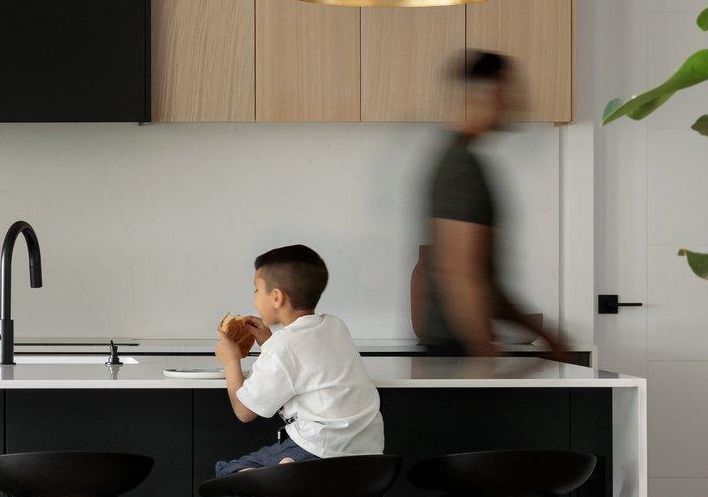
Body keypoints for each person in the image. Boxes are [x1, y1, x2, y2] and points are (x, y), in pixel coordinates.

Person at [415, 52, 568, 358]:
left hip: (458, 349)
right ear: (490, 94)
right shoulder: (460, 167)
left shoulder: (461, 159)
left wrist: (546, 335)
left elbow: (481, 279)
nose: (515, 103)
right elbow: (460, 272)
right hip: (459, 354)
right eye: (510, 92)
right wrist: (485, 357)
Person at [211, 244, 383, 474]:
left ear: (276, 297)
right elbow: (303, 358)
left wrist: (231, 361)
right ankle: (287, 472)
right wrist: (268, 341)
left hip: (317, 449)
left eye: (256, 290)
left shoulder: (283, 346)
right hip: (367, 458)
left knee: (228, 471)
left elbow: (244, 412)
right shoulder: (334, 325)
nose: (254, 297)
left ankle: (285, 477)